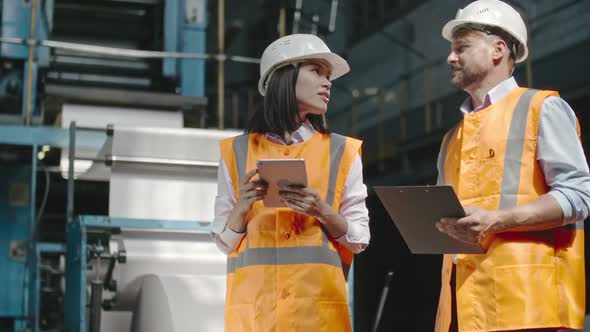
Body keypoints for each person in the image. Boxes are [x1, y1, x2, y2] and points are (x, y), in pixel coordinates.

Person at [433, 0, 590, 331]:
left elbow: (579, 196)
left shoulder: (541, 108)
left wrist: (497, 220)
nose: (450, 58)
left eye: (461, 47)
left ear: (498, 50)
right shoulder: (451, 140)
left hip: (531, 307)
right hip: (462, 312)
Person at [211, 34, 370, 332]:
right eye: (316, 71)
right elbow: (224, 242)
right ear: (284, 77)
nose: (328, 83)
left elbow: (360, 238)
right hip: (256, 318)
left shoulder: (343, 152)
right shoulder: (236, 152)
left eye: (328, 76)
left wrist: (322, 210)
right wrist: (242, 208)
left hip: (317, 318)